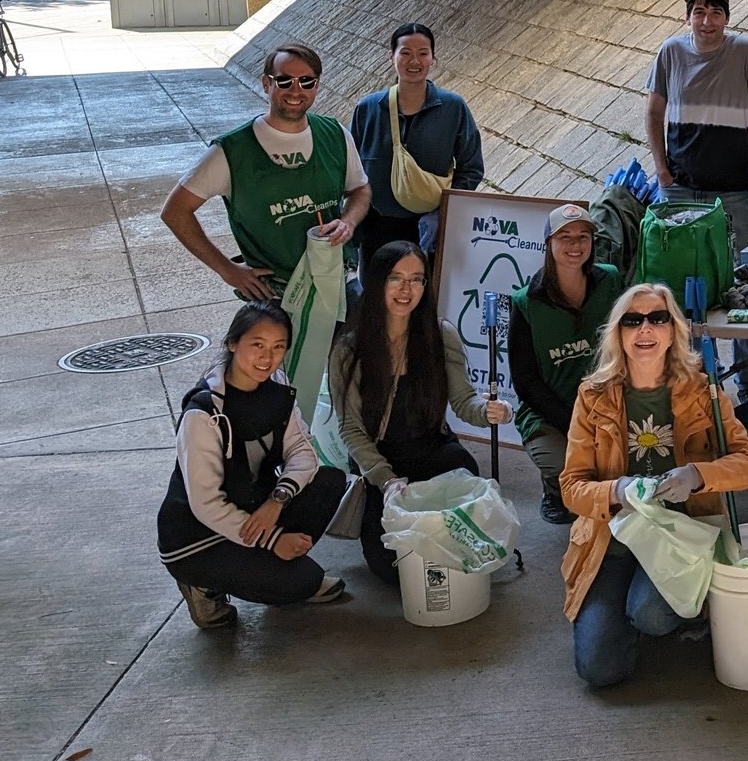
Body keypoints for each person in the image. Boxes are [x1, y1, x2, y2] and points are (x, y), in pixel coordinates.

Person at [559, 283, 748, 688]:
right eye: (633, 320)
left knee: (651, 615)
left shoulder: (704, 391)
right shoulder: (592, 396)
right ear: (618, 332)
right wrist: (615, 491)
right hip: (613, 540)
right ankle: (632, 610)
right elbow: (571, 486)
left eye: (658, 318)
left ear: (674, 331)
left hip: (681, 537)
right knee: (599, 671)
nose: (645, 329)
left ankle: (651, 612)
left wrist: (698, 476)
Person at [326, 240, 512, 588]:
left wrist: (489, 412)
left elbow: (463, 402)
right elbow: (350, 428)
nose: (406, 289)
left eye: (417, 279)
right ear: (376, 281)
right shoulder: (348, 350)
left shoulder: (440, 335)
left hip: (432, 449)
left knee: (466, 502)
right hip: (379, 462)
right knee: (392, 567)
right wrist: (386, 479)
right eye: (396, 278)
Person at [157, 302, 351, 628]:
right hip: (197, 538)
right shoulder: (204, 413)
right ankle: (204, 585)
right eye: (256, 345)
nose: (266, 357)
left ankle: (270, 573)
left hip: (252, 509)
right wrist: (274, 540)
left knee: (328, 483)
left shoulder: (275, 391)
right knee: (305, 580)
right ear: (233, 344)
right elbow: (206, 505)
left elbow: (303, 455)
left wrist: (277, 502)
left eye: (278, 347)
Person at [164, 43, 371, 305]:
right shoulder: (231, 150)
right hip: (276, 298)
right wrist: (228, 270)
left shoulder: (335, 134)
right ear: (266, 83)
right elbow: (175, 211)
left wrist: (348, 221)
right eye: (284, 80)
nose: (296, 90)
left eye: (307, 81)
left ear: (317, 86)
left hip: (341, 285)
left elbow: (360, 189)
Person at [646, 0, 748, 260]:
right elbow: (653, 114)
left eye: (716, 13)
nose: (707, 21)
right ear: (687, 18)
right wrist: (662, 170)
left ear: (727, 19)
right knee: (679, 266)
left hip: (731, 191)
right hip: (679, 189)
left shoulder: (745, 51)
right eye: (699, 12)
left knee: (744, 269)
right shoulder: (670, 52)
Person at [510, 204, 629, 526]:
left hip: (610, 404)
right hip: (554, 412)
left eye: (583, 237)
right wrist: (574, 423)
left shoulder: (610, 281)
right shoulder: (526, 302)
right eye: (565, 237)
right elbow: (525, 381)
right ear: (548, 243)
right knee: (571, 464)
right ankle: (555, 488)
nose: (575, 246)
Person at [349, 23, 484, 294]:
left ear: (433, 58)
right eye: (405, 53)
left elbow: (471, 167)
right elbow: (351, 171)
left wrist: (443, 212)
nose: (415, 61)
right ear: (391, 57)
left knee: (426, 301)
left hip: (429, 232)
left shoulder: (453, 107)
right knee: (378, 301)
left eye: (423, 53)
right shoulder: (368, 108)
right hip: (377, 229)